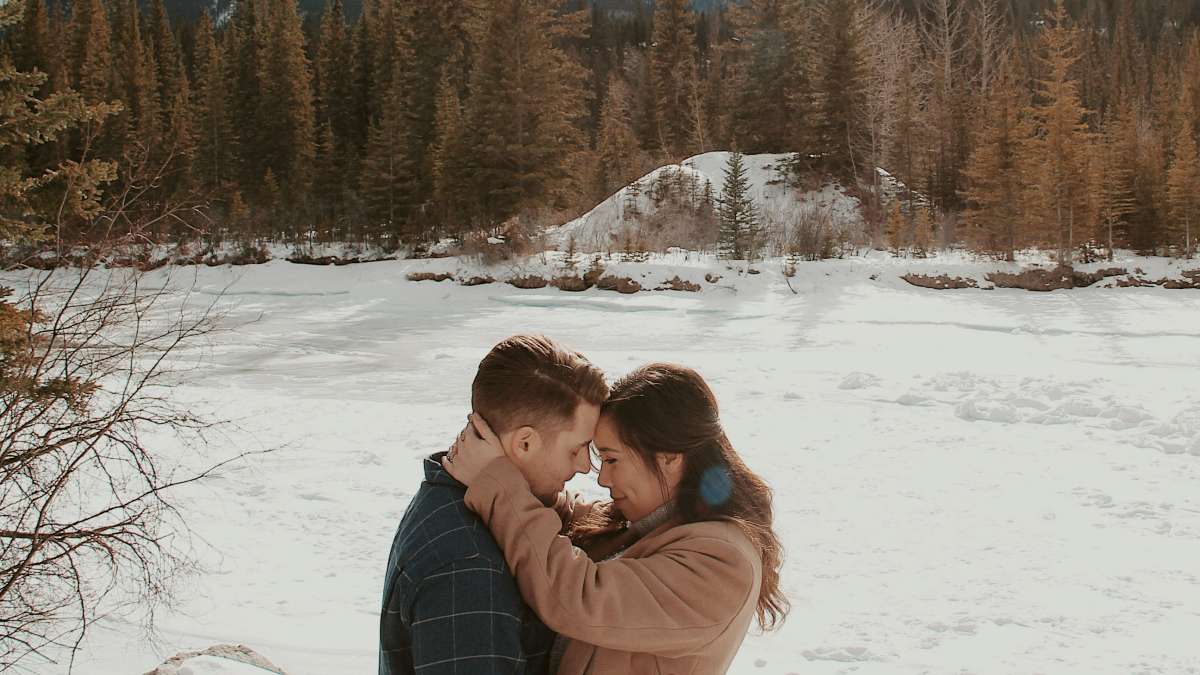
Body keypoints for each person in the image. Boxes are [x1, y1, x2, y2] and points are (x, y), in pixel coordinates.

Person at [443, 362, 788, 675]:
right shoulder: (651, 525)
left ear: (669, 457)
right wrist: (533, 475)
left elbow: (577, 596)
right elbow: (573, 517)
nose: (602, 479)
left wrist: (499, 483)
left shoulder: (722, 565)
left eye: (612, 459)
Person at [379, 335, 608, 675]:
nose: (585, 467)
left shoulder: (451, 492)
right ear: (525, 443)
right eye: (576, 449)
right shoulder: (468, 566)